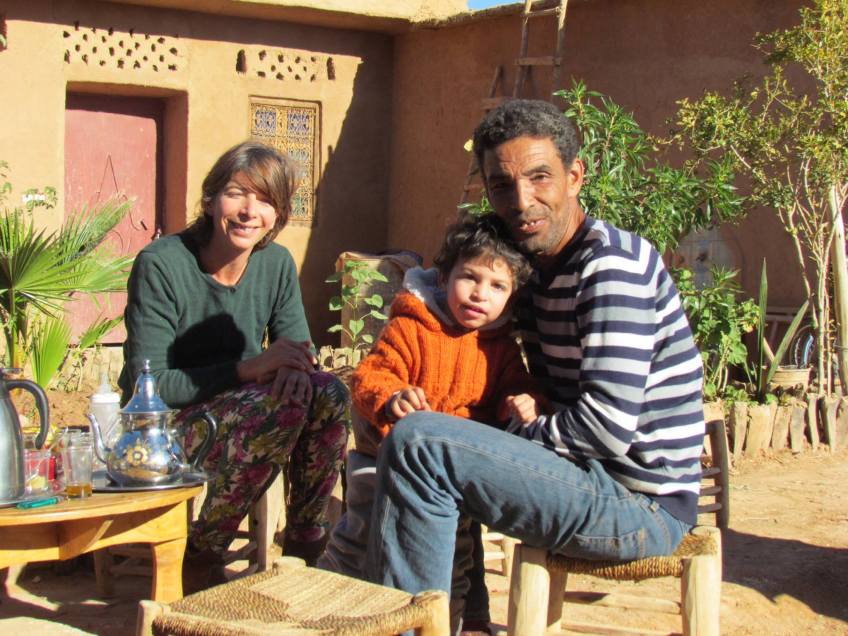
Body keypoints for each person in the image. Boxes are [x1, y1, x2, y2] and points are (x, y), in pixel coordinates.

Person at [365, 100, 705, 603]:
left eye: (539, 177)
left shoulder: (611, 268)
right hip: (578, 478)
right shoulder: (529, 270)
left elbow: (606, 430)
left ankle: (409, 625)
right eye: (502, 185)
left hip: (639, 505)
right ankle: (455, 617)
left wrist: (507, 431)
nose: (521, 201)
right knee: (419, 431)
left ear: (575, 176)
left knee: (422, 443)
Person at [118, 141, 350, 587]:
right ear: (210, 201)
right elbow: (152, 388)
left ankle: (305, 545)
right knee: (278, 407)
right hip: (162, 426)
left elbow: (297, 347)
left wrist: (293, 366)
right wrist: (251, 368)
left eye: (265, 200)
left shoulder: (275, 263)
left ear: (278, 215)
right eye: (236, 193)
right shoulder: (162, 264)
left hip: (245, 410)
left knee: (328, 392)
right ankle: (202, 554)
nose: (249, 211)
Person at [320, 214, 543, 633]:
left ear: (512, 296)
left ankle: (446, 625)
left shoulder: (499, 349)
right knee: (359, 545)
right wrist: (393, 397)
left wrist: (522, 400)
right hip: (383, 464)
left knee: (452, 563)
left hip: (451, 482)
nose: (480, 294)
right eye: (469, 277)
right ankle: (326, 614)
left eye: (497, 286)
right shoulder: (413, 327)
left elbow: (516, 387)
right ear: (443, 278)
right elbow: (371, 374)